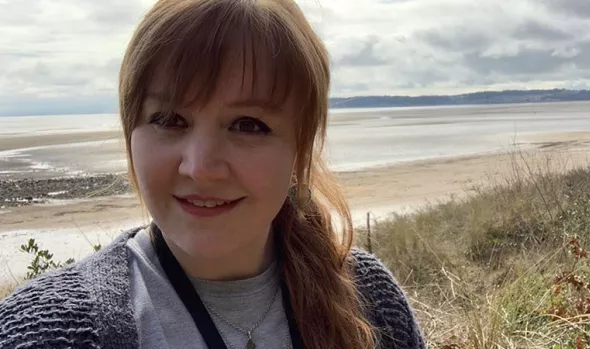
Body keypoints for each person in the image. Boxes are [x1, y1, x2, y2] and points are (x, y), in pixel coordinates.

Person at [0, 0, 425, 348]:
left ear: (299, 152)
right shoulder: (46, 333)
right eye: (169, 119)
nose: (200, 167)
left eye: (248, 125)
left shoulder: (369, 300)